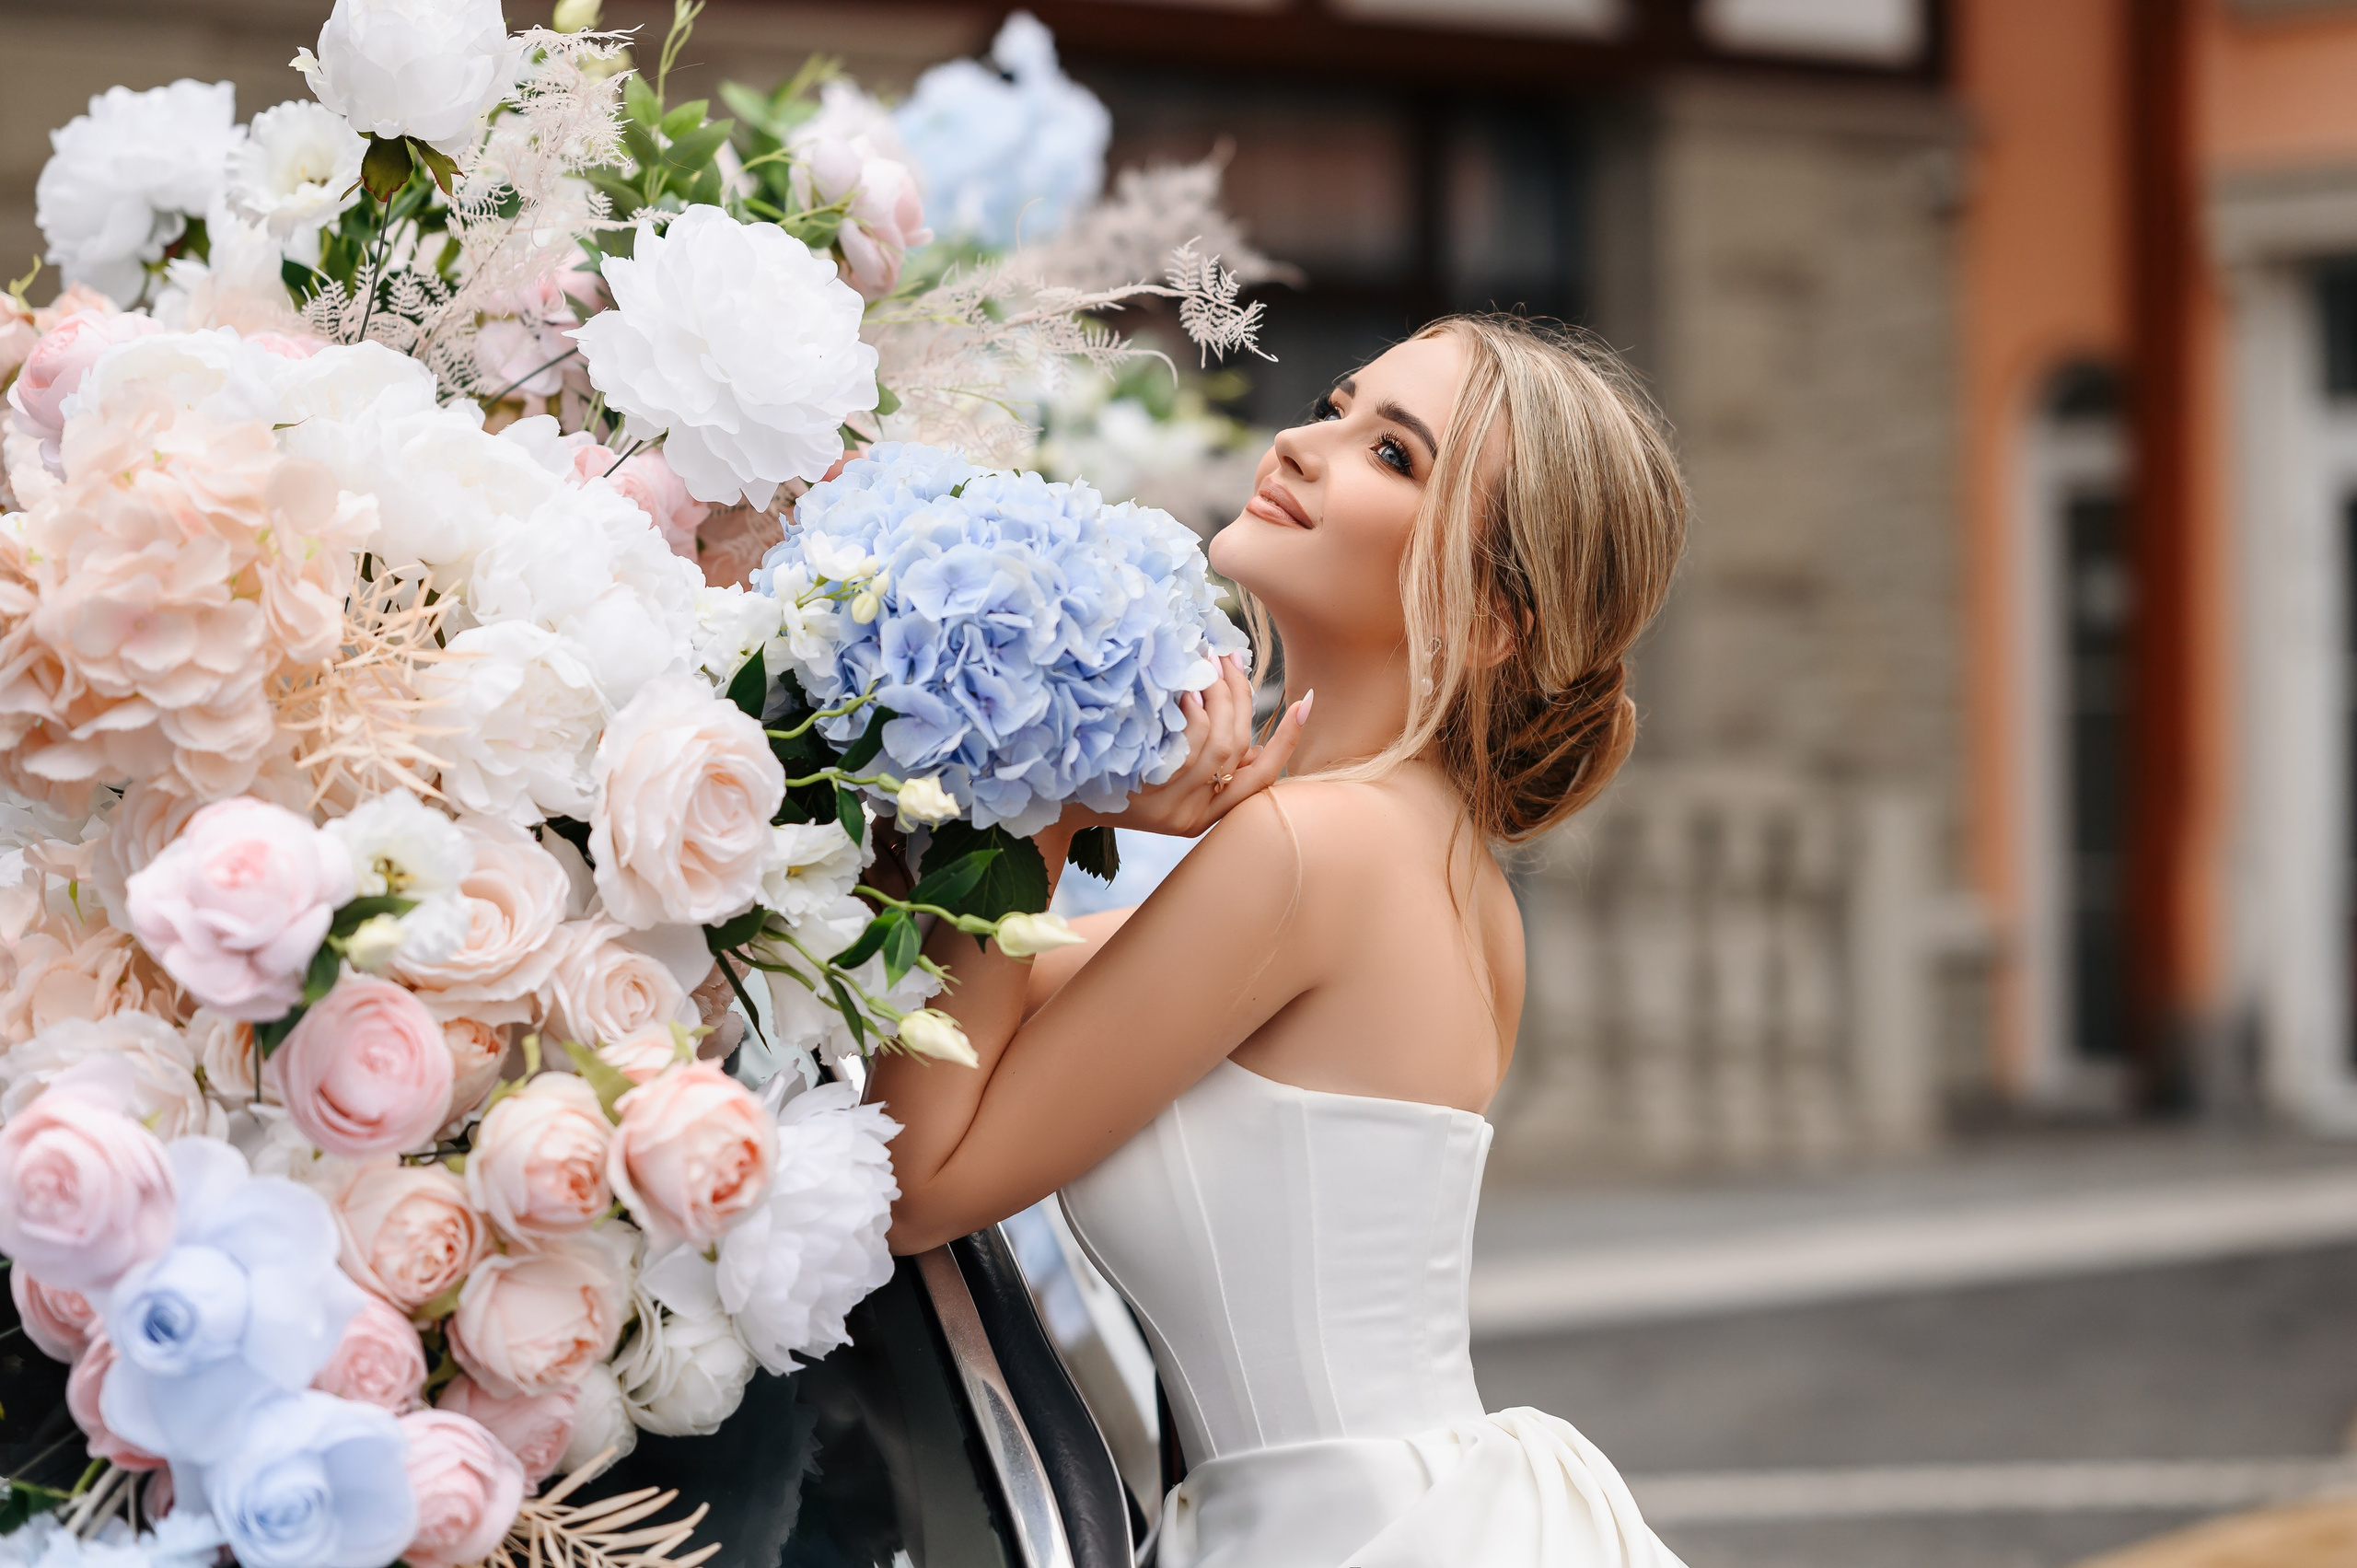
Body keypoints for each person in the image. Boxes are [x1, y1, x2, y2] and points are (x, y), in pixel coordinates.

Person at [873, 314, 1689, 1567]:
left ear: (1493, 621)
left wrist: (1054, 787)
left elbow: (918, 1184)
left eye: (1394, 455)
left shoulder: (1310, 853)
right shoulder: (1448, 866)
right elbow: (1015, 988)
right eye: (1338, 403)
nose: (1305, 444)